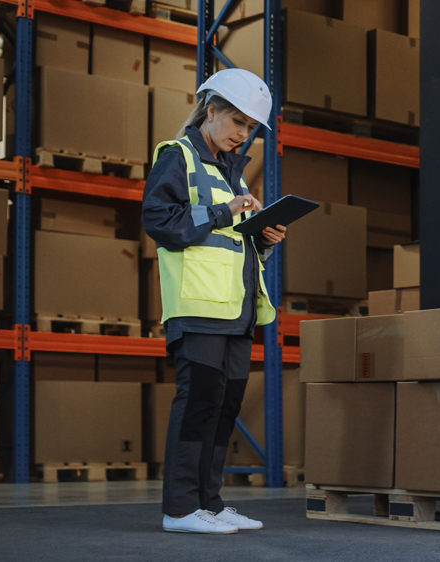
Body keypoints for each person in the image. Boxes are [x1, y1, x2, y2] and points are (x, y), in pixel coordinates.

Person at [143, 69, 285, 534]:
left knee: (223, 406)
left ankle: (209, 502)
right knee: (198, 404)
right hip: (199, 309)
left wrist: (263, 238)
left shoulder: (230, 170)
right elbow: (161, 220)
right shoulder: (178, 156)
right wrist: (228, 210)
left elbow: (226, 242)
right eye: (237, 122)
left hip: (234, 312)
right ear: (212, 109)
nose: (242, 134)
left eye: (250, 128)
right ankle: (181, 508)